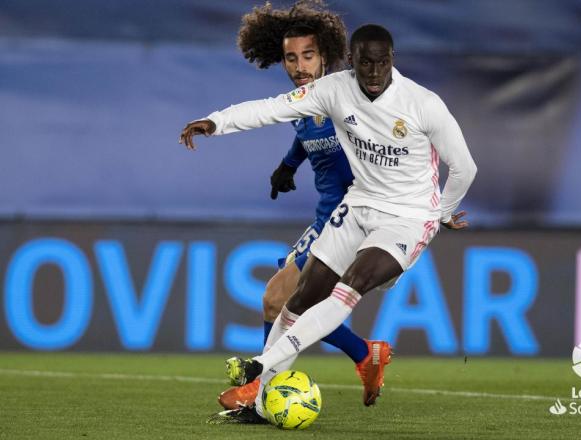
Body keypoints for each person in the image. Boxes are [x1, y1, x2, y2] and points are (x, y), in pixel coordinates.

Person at [180, 23, 477, 420]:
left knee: (348, 285)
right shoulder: (332, 90)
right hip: (357, 207)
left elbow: (464, 167)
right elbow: (270, 108)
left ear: (393, 60)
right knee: (298, 299)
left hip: (406, 217)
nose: (374, 73)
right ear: (351, 61)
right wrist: (216, 123)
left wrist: (440, 215)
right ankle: (282, 390)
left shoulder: (423, 104)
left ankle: (259, 371)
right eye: (366, 63)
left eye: (382, 62)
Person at [191, 1, 392, 416]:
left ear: (326, 55)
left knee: (279, 298)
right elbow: (305, 134)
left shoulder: (350, 99)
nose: (299, 65)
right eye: (290, 57)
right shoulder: (303, 102)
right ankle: (363, 354)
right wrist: (288, 165)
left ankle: (260, 395)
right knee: (281, 304)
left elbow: (393, 149)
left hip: (356, 219)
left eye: (308, 55)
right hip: (326, 217)